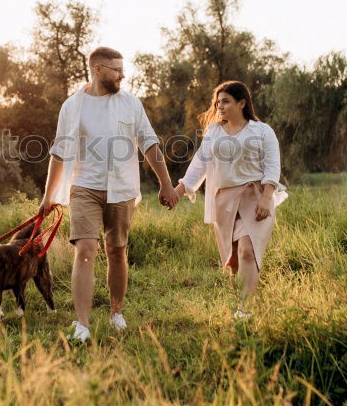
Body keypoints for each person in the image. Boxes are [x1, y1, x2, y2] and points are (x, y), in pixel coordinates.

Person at [38, 46, 179, 342]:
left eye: (122, 69)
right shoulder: (72, 106)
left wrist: (166, 184)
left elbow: (149, 144)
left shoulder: (130, 103)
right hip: (84, 186)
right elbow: (59, 153)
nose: (123, 75)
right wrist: (47, 196)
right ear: (98, 70)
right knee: (86, 249)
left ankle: (116, 313)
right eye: (117, 70)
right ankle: (82, 325)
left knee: (117, 251)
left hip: (122, 187)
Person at [174, 81, 287, 319]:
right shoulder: (214, 132)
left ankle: (245, 312)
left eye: (226, 101)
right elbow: (199, 165)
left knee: (248, 251)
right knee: (233, 259)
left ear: (242, 103)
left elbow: (272, 166)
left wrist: (267, 198)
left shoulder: (262, 131)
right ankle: (242, 304)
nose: (220, 106)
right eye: (217, 102)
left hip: (254, 197)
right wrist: (180, 189)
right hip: (224, 201)